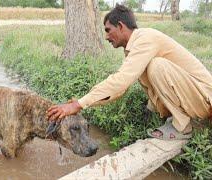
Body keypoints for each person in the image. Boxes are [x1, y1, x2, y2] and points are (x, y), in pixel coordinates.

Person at [46, 4, 212, 140]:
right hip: (194, 96)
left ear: (120, 26)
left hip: (204, 99)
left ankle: (182, 128)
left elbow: (121, 80)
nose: (106, 37)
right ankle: (176, 117)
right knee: (153, 67)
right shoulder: (135, 47)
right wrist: (82, 102)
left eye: (108, 30)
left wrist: (77, 105)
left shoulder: (146, 38)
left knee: (157, 66)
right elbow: (121, 89)